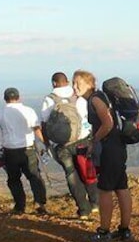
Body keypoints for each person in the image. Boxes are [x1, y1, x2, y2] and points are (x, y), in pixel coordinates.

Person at [72, 70, 133, 242]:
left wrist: (93, 141)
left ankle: (104, 231)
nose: (75, 87)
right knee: (121, 187)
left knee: (105, 189)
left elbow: (108, 123)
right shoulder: (99, 97)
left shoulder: (95, 99)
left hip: (109, 149)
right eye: (73, 84)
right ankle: (124, 230)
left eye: (79, 83)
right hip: (118, 146)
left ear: (90, 84)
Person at [41, 71, 98, 219]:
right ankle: (95, 203)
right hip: (83, 140)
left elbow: (44, 124)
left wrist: (48, 145)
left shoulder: (50, 99)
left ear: (54, 83)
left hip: (63, 145)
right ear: (67, 81)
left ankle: (83, 210)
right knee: (87, 171)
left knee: (71, 175)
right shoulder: (78, 95)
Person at [0, 87, 48, 215]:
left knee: (13, 179)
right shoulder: (28, 110)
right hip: (28, 150)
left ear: (5, 99)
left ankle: (20, 206)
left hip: (10, 152)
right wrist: (45, 144)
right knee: (34, 177)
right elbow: (36, 129)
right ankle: (40, 204)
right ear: (19, 97)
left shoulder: (0, 112)